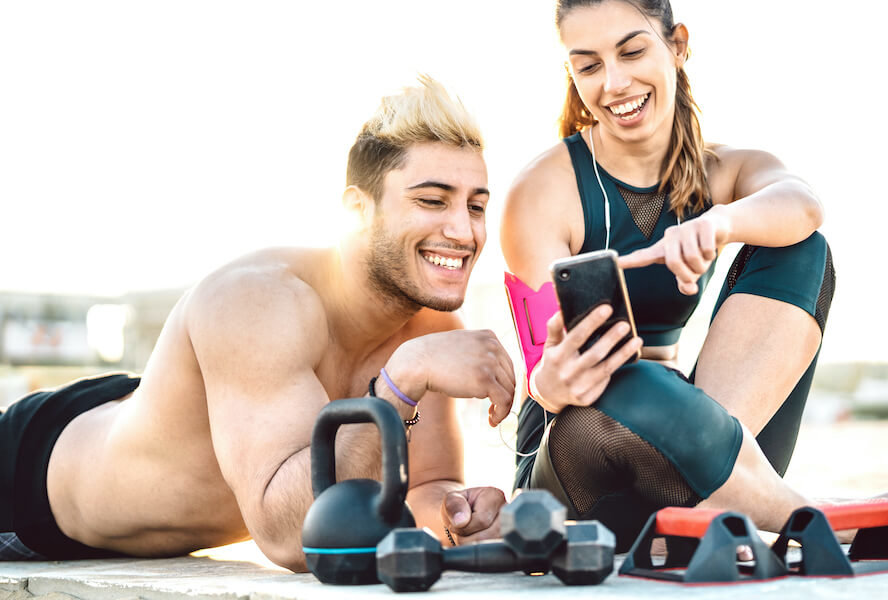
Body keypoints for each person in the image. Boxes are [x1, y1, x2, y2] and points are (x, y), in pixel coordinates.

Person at [502, 0, 888, 549]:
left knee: (802, 247)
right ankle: (828, 516)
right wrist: (549, 382)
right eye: (589, 65)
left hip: (702, 442)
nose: (615, 82)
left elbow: (803, 203)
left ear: (677, 46)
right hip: (582, 455)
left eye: (632, 51)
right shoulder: (540, 191)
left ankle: (716, 499)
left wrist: (720, 223)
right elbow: (543, 371)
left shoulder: (721, 169)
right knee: (632, 386)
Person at [0, 76, 512, 568]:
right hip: (23, 487)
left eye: (476, 206)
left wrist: (461, 515)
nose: (462, 230)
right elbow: (292, 535)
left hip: (137, 444)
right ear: (358, 209)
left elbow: (424, 487)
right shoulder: (259, 301)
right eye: (431, 200)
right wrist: (399, 385)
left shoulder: (431, 333)